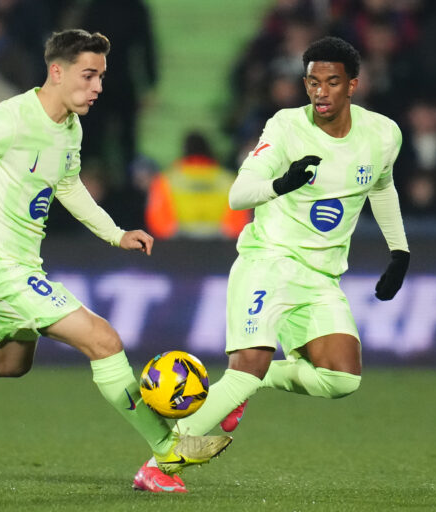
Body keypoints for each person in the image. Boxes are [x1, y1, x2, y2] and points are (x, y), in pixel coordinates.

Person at [0, 29, 230, 492]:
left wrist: (115, 233)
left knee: (9, 362)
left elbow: (68, 185)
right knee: (104, 340)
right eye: (89, 75)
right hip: (1, 267)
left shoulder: (70, 127)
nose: (97, 87)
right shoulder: (10, 119)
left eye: (101, 77)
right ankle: (165, 448)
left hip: (15, 268)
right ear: (57, 71)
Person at [133, 36, 410, 492]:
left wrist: (399, 252)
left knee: (342, 378)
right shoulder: (285, 127)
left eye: (332, 82)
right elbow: (238, 194)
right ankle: (160, 466)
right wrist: (282, 182)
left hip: (321, 276)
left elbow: (381, 186)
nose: (321, 92)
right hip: (270, 262)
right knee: (248, 366)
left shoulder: (383, 134)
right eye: (313, 82)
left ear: (353, 85)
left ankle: (244, 388)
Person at [145, 131, 250, 240]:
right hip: (219, 248)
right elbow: (239, 223)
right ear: (209, 151)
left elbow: (158, 223)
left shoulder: (165, 180)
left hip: (177, 247)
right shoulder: (229, 180)